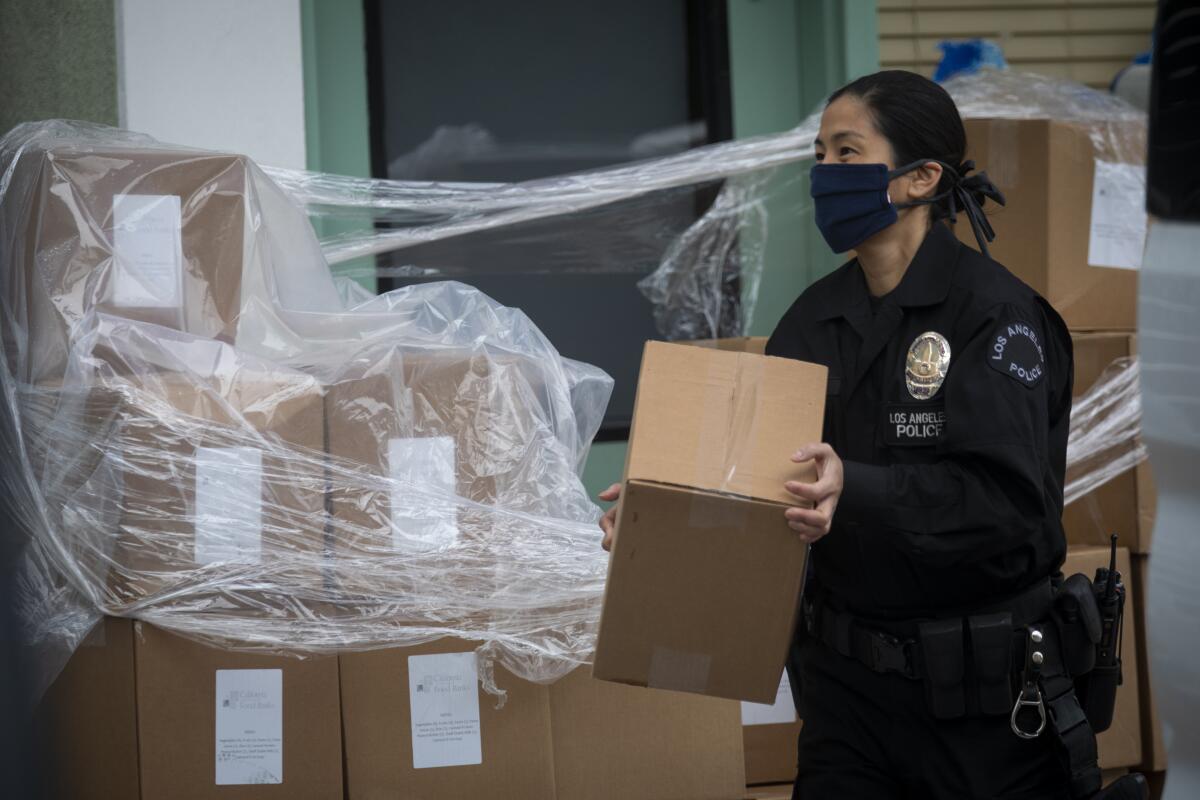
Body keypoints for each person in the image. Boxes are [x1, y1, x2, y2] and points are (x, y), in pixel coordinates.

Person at [599, 69, 1122, 799]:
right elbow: (757, 481)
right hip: (846, 700)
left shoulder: (994, 317)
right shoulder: (812, 322)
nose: (824, 173)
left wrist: (858, 488)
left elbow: (1008, 509)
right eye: (819, 155)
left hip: (984, 708)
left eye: (847, 153)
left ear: (920, 178)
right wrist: (663, 514)